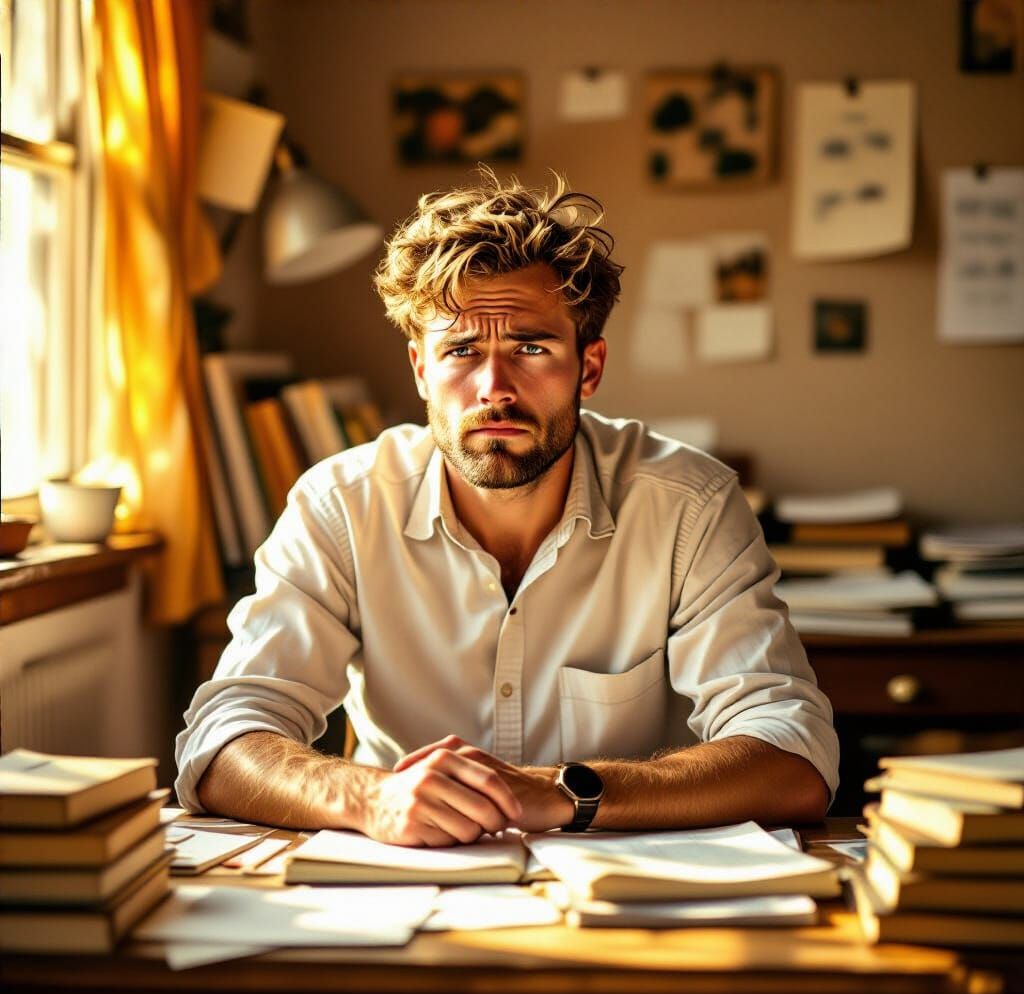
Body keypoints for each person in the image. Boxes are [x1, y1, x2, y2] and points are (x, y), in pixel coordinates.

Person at [175, 170, 838, 847]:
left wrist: (562, 792)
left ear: (589, 367)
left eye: (532, 348)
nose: (495, 389)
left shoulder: (688, 506)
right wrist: (371, 797)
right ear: (419, 369)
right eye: (461, 350)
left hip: (622, 896)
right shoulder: (341, 507)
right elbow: (223, 742)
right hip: (400, 888)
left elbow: (793, 756)